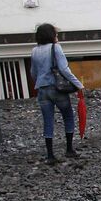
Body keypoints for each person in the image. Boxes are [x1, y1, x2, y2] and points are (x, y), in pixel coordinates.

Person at [30, 23, 84, 164]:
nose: (57, 36)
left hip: (42, 90)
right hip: (56, 88)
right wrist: (78, 85)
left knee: (48, 121)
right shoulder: (56, 48)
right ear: (51, 35)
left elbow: (33, 72)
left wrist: (40, 82)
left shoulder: (34, 51)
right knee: (68, 116)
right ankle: (69, 149)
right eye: (56, 34)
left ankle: (50, 155)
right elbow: (64, 69)